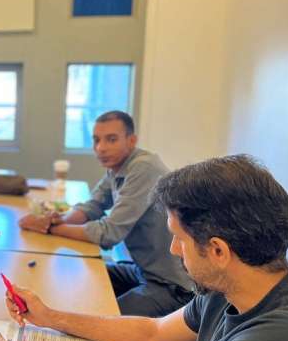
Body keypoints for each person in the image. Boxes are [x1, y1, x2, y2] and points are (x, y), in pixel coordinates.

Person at [0, 155, 288, 341]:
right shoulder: (235, 283)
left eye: (179, 239)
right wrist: (50, 317)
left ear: (218, 250)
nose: (173, 249)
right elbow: (153, 334)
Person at [20, 111, 193, 317]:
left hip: (171, 286)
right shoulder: (117, 167)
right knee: (78, 277)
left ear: (131, 140)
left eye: (111, 139)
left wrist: (49, 229)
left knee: (99, 320)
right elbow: (92, 206)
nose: (101, 148)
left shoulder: (144, 168)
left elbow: (109, 233)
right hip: (142, 271)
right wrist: (55, 220)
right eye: (96, 140)